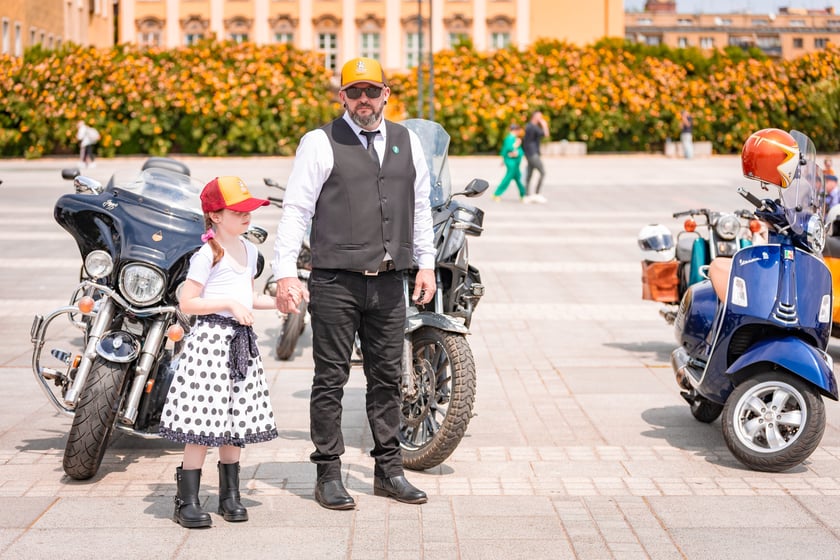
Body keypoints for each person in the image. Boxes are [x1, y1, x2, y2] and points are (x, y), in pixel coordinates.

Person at [272, 56, 436, 510]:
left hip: (389, 281)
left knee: (387, 378)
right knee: (330, 379)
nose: (364, 99)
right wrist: (285, 272)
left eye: (372, 90)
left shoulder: (407, 141)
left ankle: (389, 471)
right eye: (355, 92)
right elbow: (296, 210)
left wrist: (425, 264)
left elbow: (420, 207)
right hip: (335, 282)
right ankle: (328, 474)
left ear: (386, 94)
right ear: (341, 97)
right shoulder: (319, 142)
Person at [159, 176, 279, 528]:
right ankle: (187, 500)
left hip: (240, 343)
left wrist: (279, 303)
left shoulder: (250, 250)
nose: (246, 216)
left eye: (248, 210)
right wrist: (227, 304)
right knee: (202, 421)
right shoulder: (207, 254)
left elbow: (248, 297)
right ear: (214, 215)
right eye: (237, 211)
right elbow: (187, 302)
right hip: (211, 344)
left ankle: (230, 496)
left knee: (235, 421)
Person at [493, 123, 526, 202]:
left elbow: (519, 151)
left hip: (516, 163)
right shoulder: (510, 139)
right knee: (508, 178)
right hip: (511, 163)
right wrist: (516, 146)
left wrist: (517, 152)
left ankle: (523, 195)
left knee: (519, 178)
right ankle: (497, 194)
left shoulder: (515, 139)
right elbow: (508, 149)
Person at [523, 111, 549, 203]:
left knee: (529, 174)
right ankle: (537, 194)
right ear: (534, 117)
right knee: (542, 172)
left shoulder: (529, 126)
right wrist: (544, 125)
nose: (541, 119)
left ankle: (526, 195)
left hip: (529, 153)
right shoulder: (533, 127)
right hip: (533, 153)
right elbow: (546, 134)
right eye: (540, 117)